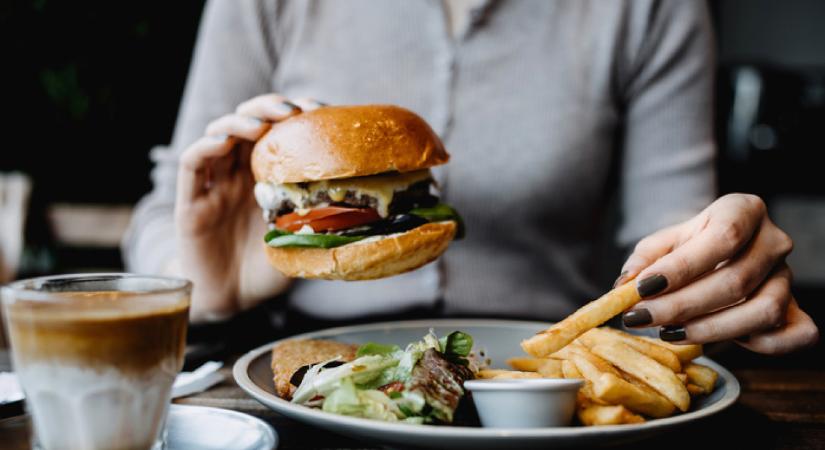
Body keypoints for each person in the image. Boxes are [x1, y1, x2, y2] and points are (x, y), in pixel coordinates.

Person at [123, 0, 817, 354]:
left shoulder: (647, 8)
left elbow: (672, 244)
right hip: (304, 365)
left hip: (544, 370)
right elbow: (161, 216)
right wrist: (200, 278)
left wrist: (716, 267)